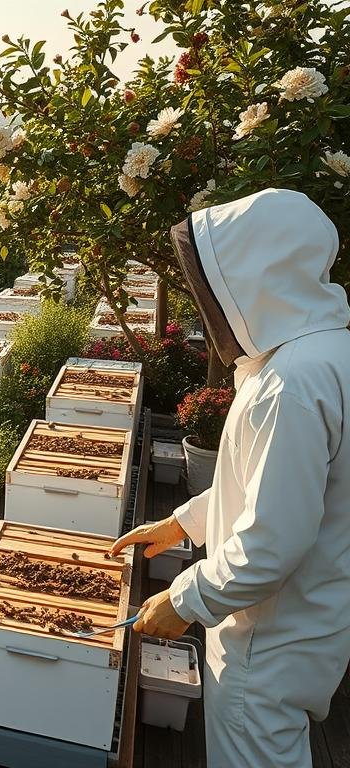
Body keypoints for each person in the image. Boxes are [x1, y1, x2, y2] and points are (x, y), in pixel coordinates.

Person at [109, 188, 350, 767]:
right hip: (306, 626)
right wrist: (182, 522)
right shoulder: (326, 355)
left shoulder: (291, 384)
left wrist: (186, 598)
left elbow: (270, 542)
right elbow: (279, 488)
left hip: (263, 648)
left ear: (256, 273)